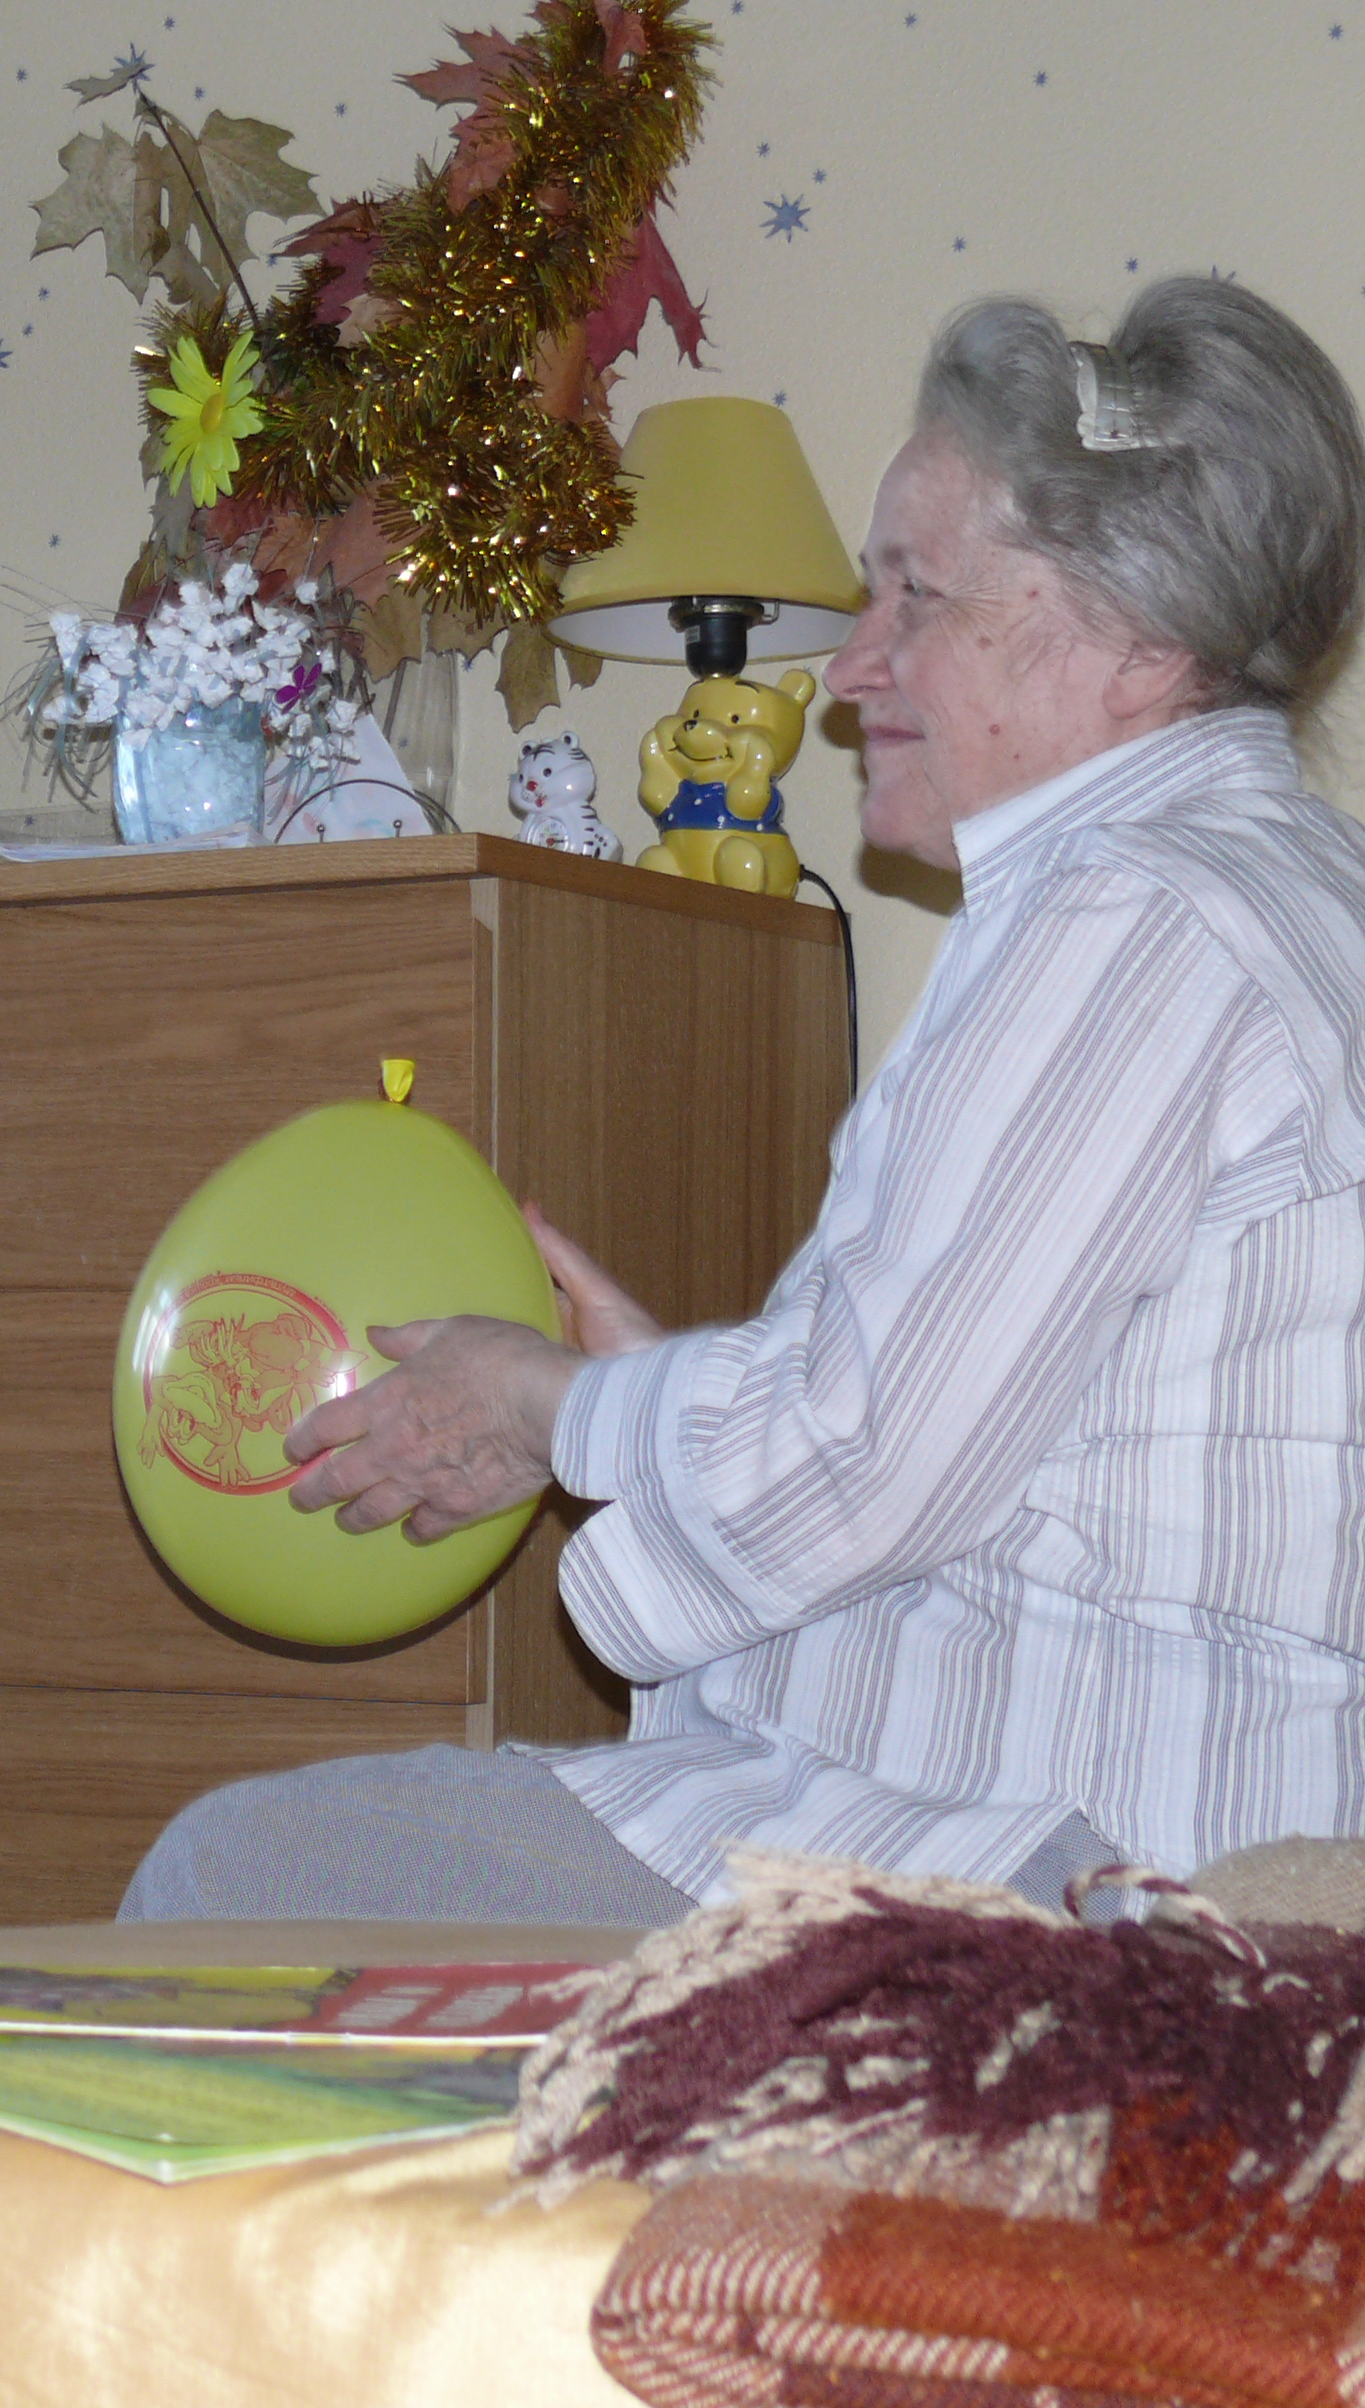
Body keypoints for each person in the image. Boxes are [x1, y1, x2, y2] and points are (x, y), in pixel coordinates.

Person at [124, 277, 1365, 1930]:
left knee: (231, 1884)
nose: (850, 666)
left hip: (1040, 1859)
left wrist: (554, 1407)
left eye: (914, 594)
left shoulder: (1132, 917)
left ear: (1135, 644)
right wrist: (654, 1400)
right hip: (1117, 1815)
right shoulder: (1292, 889)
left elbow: (863, 1469)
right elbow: (996, 1431)